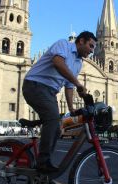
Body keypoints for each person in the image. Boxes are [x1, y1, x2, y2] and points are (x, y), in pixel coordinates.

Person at [22, 31, 97, 173]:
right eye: (91, 46)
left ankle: (42, 171)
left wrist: (71, 108)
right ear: (81, 41)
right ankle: (42, 164)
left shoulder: (78, 63)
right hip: (35, 85)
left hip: (50, 92)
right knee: (53, 119)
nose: (92, 51)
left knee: (57, 127)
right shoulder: (64, 45)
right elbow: (58, 63)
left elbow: (69, 86)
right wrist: (78, 84)